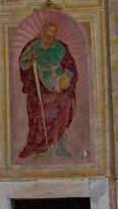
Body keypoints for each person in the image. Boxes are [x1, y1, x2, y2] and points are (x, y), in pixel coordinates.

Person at [18, 23, 77, 158]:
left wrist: (66, 78)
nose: (50, 35)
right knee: (39, 116)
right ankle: (39, 146)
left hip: (58, 86)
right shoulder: (33, 47)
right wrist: (29, 61)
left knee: (64, 111)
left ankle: (58, 148)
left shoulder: (59, 47)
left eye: (53, 33)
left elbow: (70, 64)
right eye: (48, 32)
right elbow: (23, 63)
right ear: (42, 32)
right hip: (39, 87)